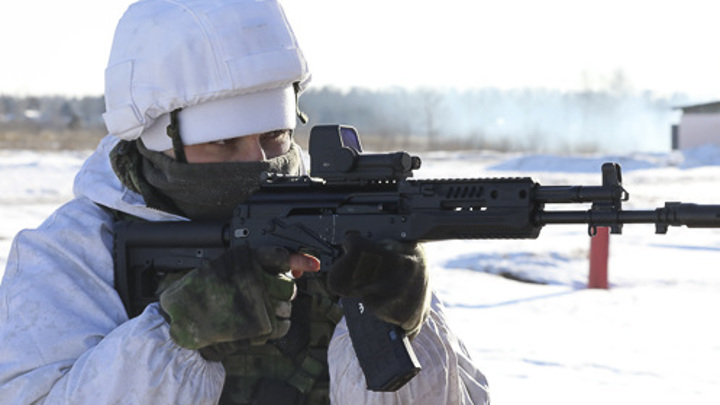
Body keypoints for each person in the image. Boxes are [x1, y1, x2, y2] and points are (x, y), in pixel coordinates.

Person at [0, 0, 490, 403]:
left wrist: (410, 326)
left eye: (275, 135)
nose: (258, 163)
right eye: (224, 142)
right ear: (155, 140)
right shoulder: (75, 253)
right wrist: (176, 336)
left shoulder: (345, 225)